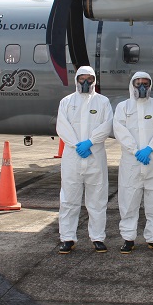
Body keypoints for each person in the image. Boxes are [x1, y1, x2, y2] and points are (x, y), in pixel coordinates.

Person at [55, 66, 113, 254]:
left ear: (95, 80)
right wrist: (76, 145)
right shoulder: (67, 102)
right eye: (82, 78)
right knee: (69, 200)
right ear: (77, 79)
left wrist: (90, 142)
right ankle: (67, 238)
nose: (86, 82)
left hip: (95, 157)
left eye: (89, 78)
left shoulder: (103, 102)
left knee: (97, 200)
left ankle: (97, 238)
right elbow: (62, 126)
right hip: (72, 157)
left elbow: (107, 125)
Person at [113, 71, 153, 253]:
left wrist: (150, 148)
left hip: (152, 161)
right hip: (131, 162)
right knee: (129, 200)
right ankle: (128, 238)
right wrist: (135, 150)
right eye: (138, 83)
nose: (142, 87)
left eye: (145, 83)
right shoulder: (123, 107)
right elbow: (119, 129)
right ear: (132, 85)